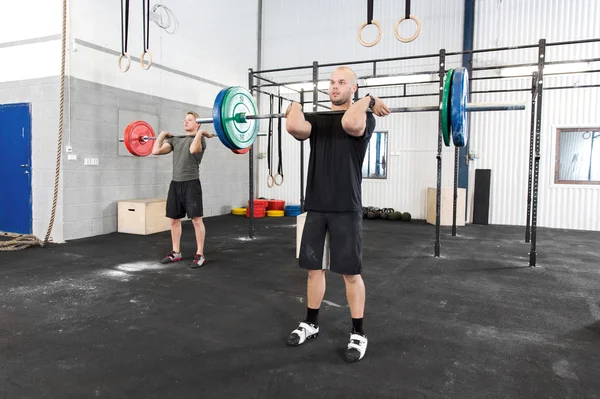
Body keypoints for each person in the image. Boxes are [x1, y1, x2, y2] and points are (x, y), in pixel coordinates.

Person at [284, 66, 390, 362]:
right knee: (312, 269)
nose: (334, 86)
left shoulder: (364, 119)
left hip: (346, 207)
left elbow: (350, 124)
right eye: (331, 82)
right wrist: (294, 105)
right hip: (316, 205)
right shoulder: (316, 120)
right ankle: (311, 323)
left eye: (342, 82)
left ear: (353, 88)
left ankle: (358, 333)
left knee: (350, 274)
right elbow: (294, 128)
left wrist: (368, 100)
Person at [151, 111, 215, 268]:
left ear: (197, 123)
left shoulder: (200, 141)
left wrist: (200, 133)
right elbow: (155, 151)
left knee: (196, 220)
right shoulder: (175, 141)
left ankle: (200, 254)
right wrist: (162, 134)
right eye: (185, 120)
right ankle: (176, 252)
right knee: (174, 220)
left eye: (190, 120)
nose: (186, 122)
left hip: (191, 183)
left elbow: (193, 149)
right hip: (176, 184)